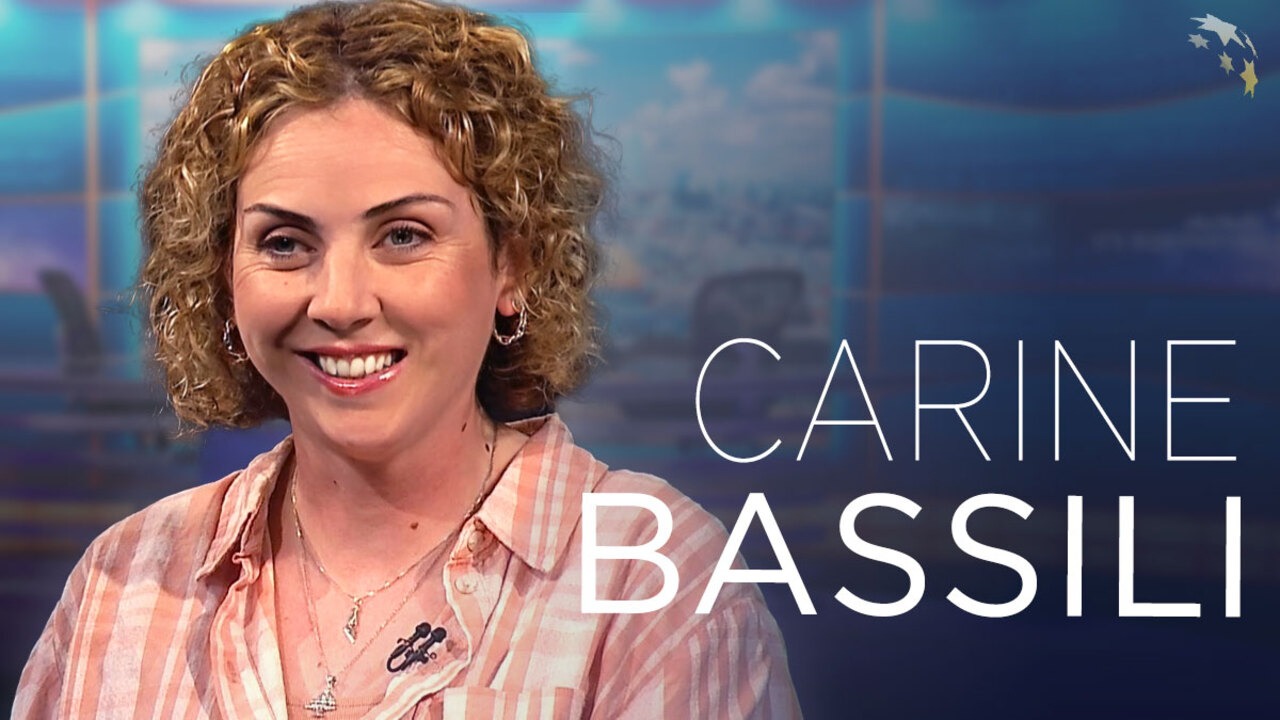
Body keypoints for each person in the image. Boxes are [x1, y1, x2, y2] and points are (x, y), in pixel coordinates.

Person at [13, 1, 800, 718]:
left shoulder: (652, 579)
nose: (340, 301)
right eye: (284, 243)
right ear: (222, 277)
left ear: (513, 263)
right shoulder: (121, 581)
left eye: (402, 236)